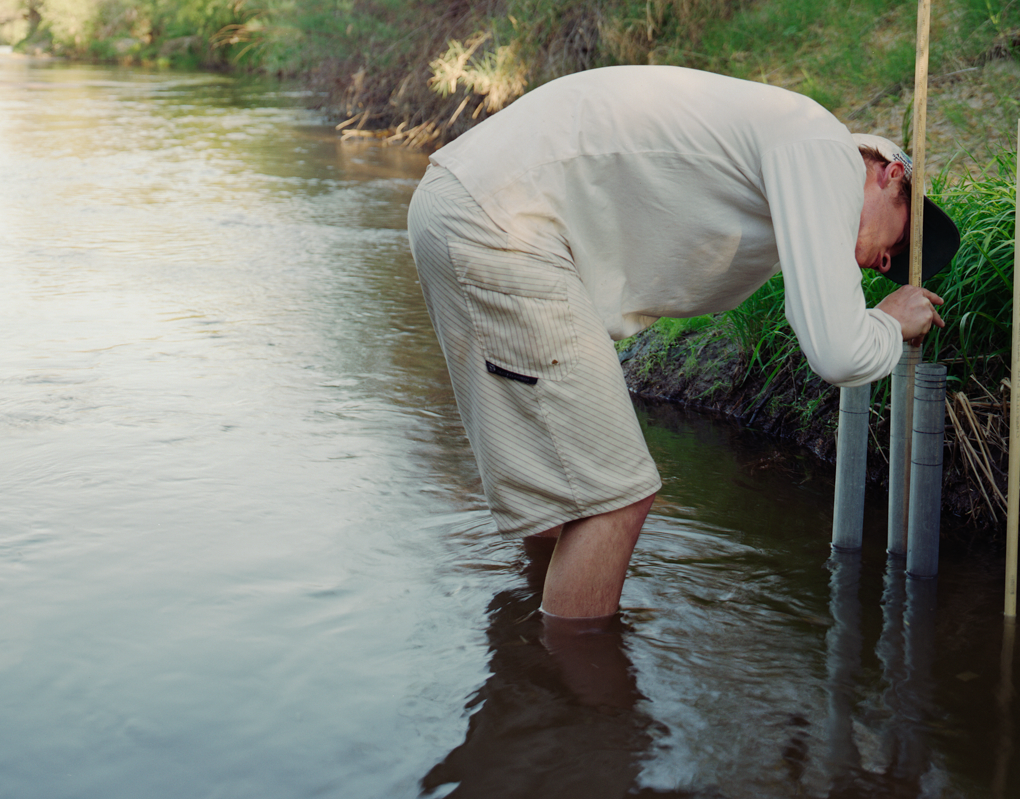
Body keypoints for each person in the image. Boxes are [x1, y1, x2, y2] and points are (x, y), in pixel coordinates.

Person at [406, 64, 959, 630]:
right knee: (614, 498)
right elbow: (838, 351)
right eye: (898, 240)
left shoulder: (778, 170)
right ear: (890, 174)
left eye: (891, 270)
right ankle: (579, 698)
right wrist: (889, 324)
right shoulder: (822, 148)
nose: (882, 264)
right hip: (500, 223)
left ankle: (541, 660)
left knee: (565, 497)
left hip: (471, 204)